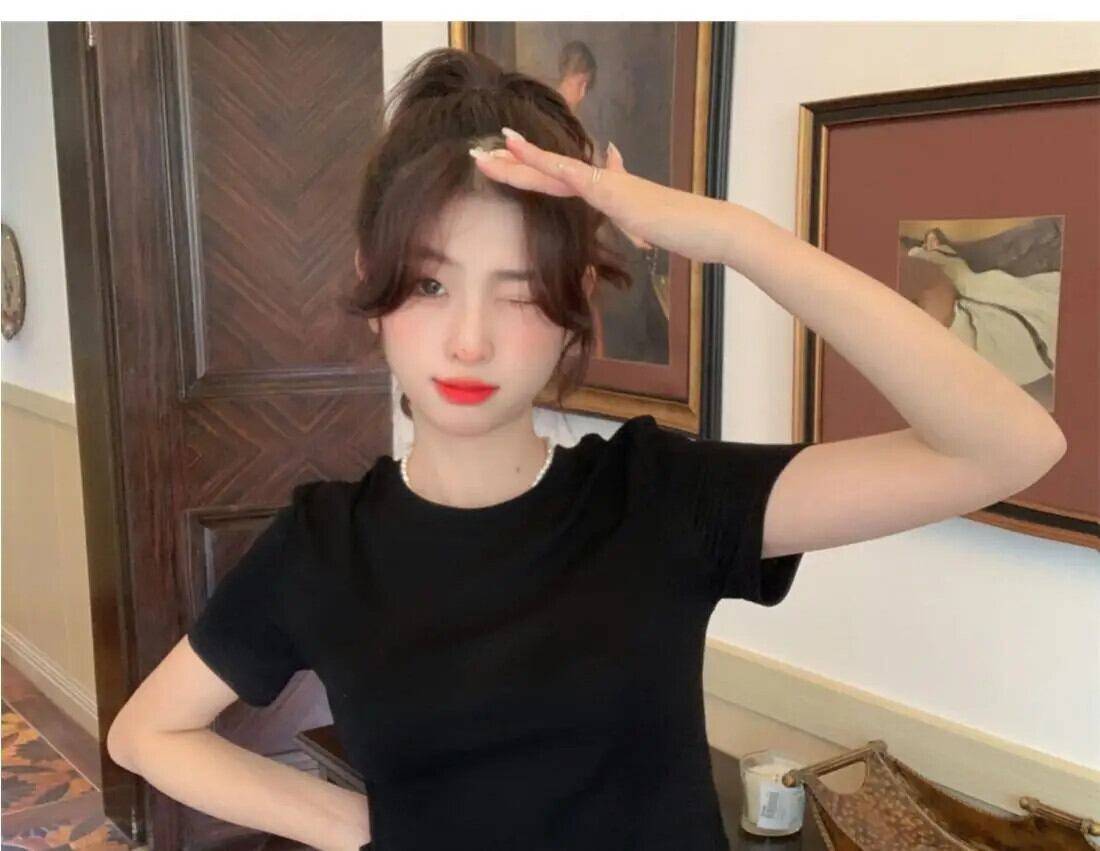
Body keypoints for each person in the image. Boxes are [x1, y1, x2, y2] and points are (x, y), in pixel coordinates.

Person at [106, 48, 1067, 851]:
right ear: (375, 289)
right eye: (432, 285)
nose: (469, 340)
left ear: (573, 311)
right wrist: (354, 824)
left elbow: (1006, 445)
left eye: (521, 291)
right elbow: (148, 731)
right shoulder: (324, 546)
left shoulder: (657, 497)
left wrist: (735, 237)